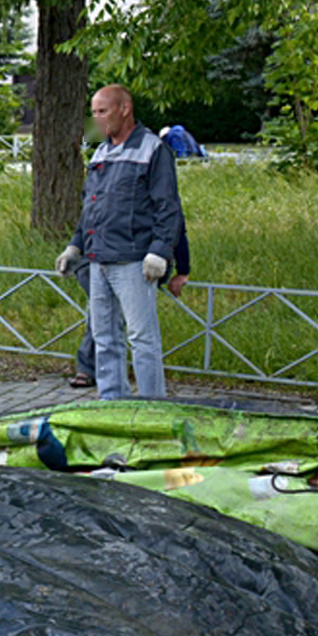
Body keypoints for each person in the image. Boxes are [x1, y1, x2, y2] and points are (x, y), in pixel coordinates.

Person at [56, 84, 184, 400]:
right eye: (94, 112)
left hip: (133, 262)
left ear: (124, 109)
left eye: (102, 111)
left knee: (142, 338)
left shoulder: (154, 150)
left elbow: (169, 208)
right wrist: (75, 246)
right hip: (97, 260)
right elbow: (91, 206)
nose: (95, 119)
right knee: (105, 338)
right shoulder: (101, 151)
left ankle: (152, 406)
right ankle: (112, 403)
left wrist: (159, 252)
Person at [68, 223, 190, 389]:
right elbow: (89, 215)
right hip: (97, 258)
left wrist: (181, 266)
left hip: (135, 258)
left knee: (133, 333)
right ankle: (98, 379)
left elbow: (172, 220)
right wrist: (74, 246)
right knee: (105, 327)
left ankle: (149, 400)